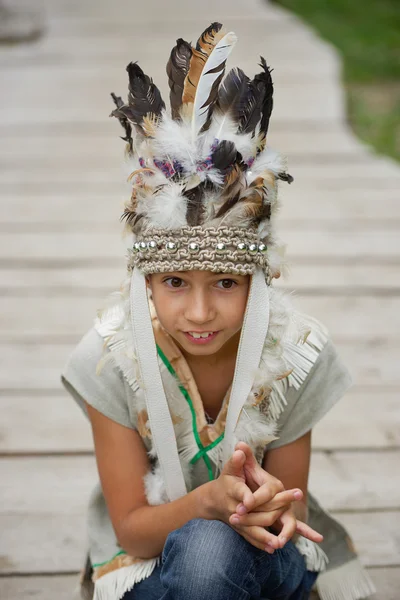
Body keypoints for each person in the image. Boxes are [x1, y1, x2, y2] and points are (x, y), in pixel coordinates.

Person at [61, 22, 377, 600]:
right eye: (175, 282)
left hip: (265, 552)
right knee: (202, 556)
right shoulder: (111, 357)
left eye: (227, 282)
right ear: (144, 281)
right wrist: (206, 502)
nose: (200, 311)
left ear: (261, 278)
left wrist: (265, 507)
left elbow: (287, 505)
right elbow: (132, 528)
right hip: (146, 555)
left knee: (215, 556)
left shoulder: (294, 353)